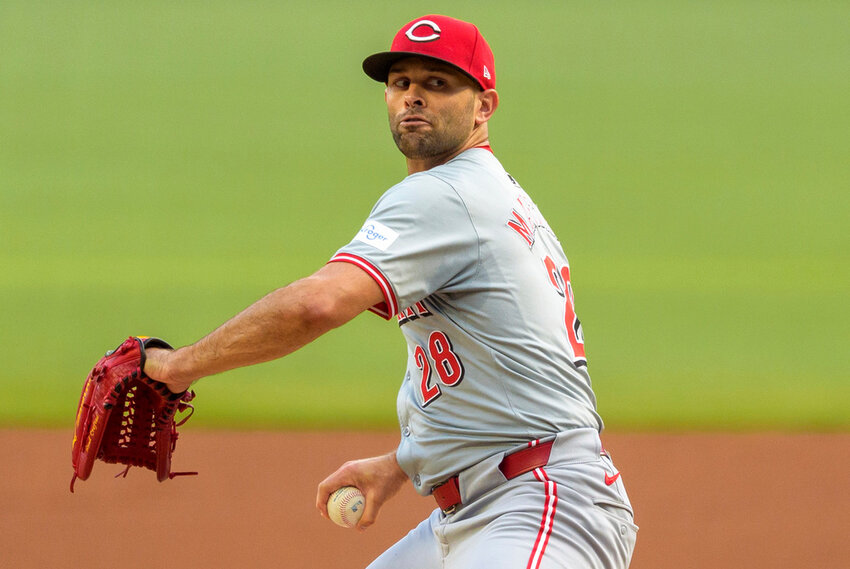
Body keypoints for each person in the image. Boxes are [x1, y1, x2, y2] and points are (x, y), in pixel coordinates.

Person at [144, 14, 637, 569]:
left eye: (437, 83)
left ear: (484, 105)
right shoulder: (490, 193)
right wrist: (402, 463)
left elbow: (316, 304)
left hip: (538, 506)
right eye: (401, 83)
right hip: (486, 508)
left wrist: (176, 366)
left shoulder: (446, 195)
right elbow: (495, 367)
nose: (413, 97)